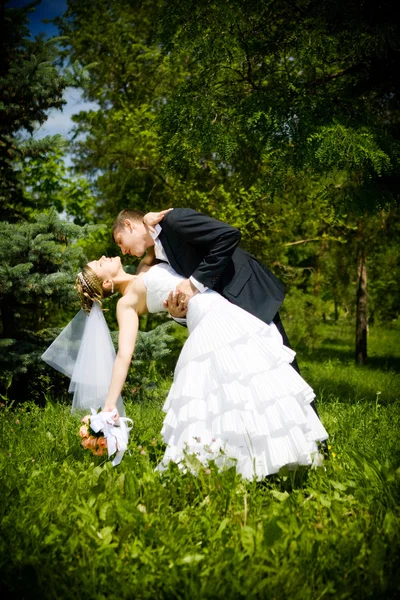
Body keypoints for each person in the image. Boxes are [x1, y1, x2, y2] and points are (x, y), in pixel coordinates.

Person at [53, 255, 328, 480]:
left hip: (225, 309)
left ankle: (274, 452)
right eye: (99, 265)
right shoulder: (126, 303)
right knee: (227, 395)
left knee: (253, 385)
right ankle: (243, 462)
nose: (104, 256)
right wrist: (109, 405)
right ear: (108, 281)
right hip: (207, 322)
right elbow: (124, 355)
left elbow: (150, 237)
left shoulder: (143, 267)